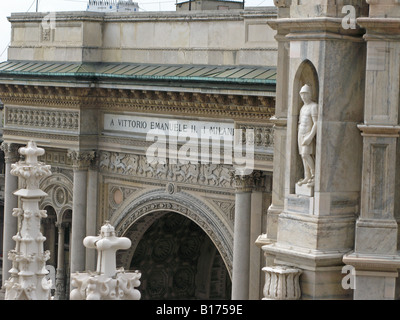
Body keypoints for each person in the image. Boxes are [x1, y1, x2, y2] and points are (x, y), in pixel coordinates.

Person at [297, 84, 318, 187]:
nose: (303, 96)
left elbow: (316, 123)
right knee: (303, 156)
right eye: (302, 94)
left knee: (306, 154)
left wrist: (310, 137)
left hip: (307, 134)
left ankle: (314, 175)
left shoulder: (314, 106)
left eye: (305, 94)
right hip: (300, 133)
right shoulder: (303, 107)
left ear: (310, 94)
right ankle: (307, 176)